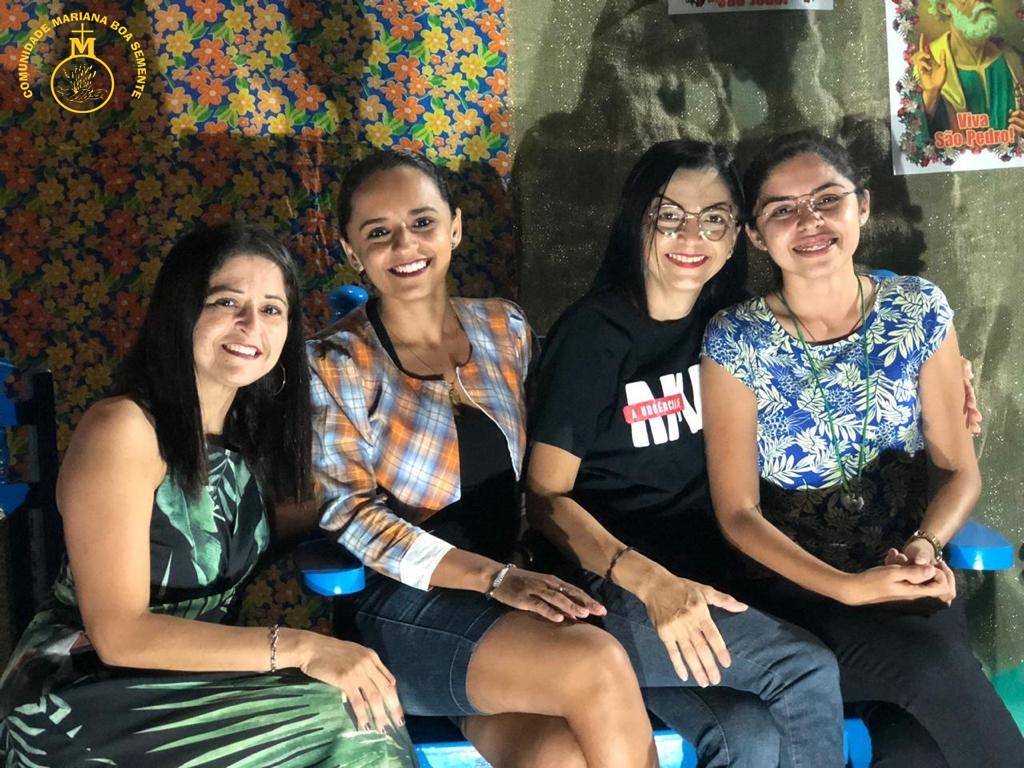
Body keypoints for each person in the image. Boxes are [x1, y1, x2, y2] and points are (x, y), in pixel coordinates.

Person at [0, 224, 416, 766]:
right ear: (181, 310)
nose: (251, 325)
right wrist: (305, 646)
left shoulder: (249, 439)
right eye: (226, 302)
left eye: (272, 310)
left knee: (363, 704)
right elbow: (119, 635)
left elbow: (327, 510)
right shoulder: (124, 430)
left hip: (191, 685)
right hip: (80, 695)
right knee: (352, 719)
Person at [309, 149, 659, 768]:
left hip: (514, 595)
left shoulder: (505, 329)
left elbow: (550, 467)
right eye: (378, 232)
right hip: (402, 606)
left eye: (422, 222)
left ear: (455, 227)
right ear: (350, 250)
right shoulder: (335, 361)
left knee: (561, 759)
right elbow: (350, 514)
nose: (405, 245)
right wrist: (493, 578)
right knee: (597, 663)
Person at [701, 130, 1024, 767]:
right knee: (933, 671)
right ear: (756, 235)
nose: (810, 221)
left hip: (906, 575)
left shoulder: (917, 309)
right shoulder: (736, 340)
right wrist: (849, 589)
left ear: (864, 206)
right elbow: (737, 513)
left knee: (917, 747)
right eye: (783, 210)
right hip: (797, 595)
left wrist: (925, 546)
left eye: (828, 200)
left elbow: (958, 470)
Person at [526, 139, 846, 768]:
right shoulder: (595, 334)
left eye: (715, 218)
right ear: (637, 221)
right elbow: (544, 498)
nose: (691, 235)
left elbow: (848, 315)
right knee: (805, 671)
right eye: (669, 215)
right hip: (609, 588)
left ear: (736, 238)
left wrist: (951, 374)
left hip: (709, 580)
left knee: (749, 737)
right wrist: (653, 584)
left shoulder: (732, 328)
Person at [913, 0, 1024, 136]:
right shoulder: (923, 67)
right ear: (943, 7)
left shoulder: (1015, 61)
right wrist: (931, 95)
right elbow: (914, 139)